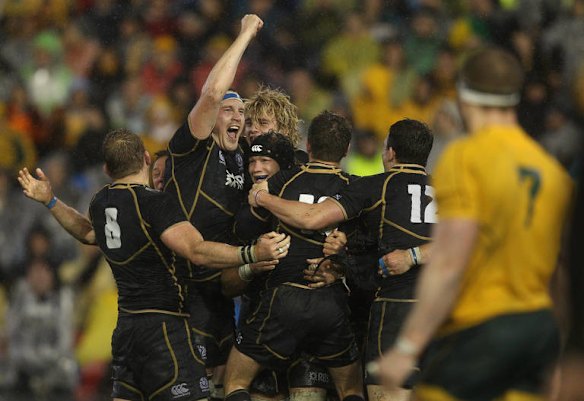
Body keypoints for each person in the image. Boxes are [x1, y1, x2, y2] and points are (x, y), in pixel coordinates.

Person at [17, 128, 290, 401]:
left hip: (126, 331)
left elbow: (88, 233)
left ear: (107, 169)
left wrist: (51, 201)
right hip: (165, 329)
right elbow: (196, 250)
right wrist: (252, 252)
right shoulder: (154, 203)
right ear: (146, 158)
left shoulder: (102, 201)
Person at [374, 47, 573, 400]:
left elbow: (450, 259)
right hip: (539, 331)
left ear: (463, 95)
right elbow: (564, 270)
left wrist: (407, 347)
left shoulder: (465, 158)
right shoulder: (552, 170)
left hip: (481, 328)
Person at [249, 119, 435, 401]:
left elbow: (310, 218)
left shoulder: (374, 186)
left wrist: (263, 198)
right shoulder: (451, 190)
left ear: (391, 153)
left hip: (396, 309)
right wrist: (417, 254)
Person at [224, 110, 364, 401]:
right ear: (347, 149)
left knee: (235, 382)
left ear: (308, 145)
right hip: (332, 303)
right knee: (350, 390)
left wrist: (259, 209)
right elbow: (368, 246)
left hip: (283, 300)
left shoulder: (282, 182)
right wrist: (342, 260)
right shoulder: (358, 188)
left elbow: (243, 226)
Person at [163, 14, 263, 396]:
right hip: (185, 286)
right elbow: (211, 94)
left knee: (223, 381)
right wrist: (244, 36)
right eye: (229, 110)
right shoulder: (192, 149)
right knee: (188, 384)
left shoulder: (244, 158)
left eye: (242, 113)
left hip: (222, 286)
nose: (237, 116)